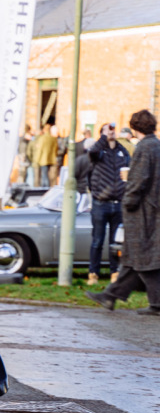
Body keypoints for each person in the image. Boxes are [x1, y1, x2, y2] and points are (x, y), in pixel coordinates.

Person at [87, 109, 160, 315]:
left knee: (141, 257)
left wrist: (128, 201)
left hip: (142, 211)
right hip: (151, 210)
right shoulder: (157, 146)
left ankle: (153, 303)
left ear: (135, 127)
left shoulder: (145, 148)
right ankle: (111, 296)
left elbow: (139, 179)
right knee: (136, 257)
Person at [86, 122, 132, 284]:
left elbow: (130, 167)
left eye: (113, 130)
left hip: (118, 203)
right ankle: (93, 273)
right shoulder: (99, 151)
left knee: (115, 242)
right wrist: (104, 136)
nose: (112, 132)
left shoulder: (122, 151)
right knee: (97, 240)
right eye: (108, 130)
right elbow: (92, 152)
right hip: (100, 203)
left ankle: (115, 273)